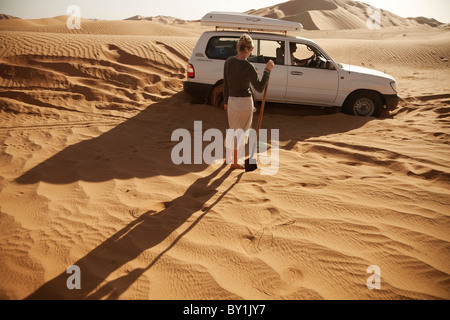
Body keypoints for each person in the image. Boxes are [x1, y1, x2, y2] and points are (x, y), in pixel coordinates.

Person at [223, 34, 274, 169]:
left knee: (232, 130)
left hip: (232, 101)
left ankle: (228, 159)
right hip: (245, 103)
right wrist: (267, 71)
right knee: (241, 132)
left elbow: (225, 84)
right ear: (251, 49)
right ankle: (234, 162)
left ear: (238, 47)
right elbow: (259, 87)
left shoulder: (228, 61)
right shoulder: (248, 66)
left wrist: (225, 101)